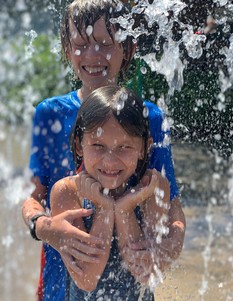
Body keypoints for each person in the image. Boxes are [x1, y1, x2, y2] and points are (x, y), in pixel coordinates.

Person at [21, 1, 186, 300]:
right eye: (81, 44)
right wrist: (45, 228)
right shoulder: (50, 113)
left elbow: (171, 206)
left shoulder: (150, 118)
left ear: (127, 48)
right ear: (67, 49)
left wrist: (166, 251)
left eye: (105, 43)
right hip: (62, 279)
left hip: (131, 280)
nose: (93, 56)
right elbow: (33, 198)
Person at [50, 85, 171, 300]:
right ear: (79, 145)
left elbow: (144, 273)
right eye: (98, 145)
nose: (110, 160)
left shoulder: (152, 189)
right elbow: (87, 279)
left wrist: (125, 210)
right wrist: (105, 208)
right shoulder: (68, 192)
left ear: (144, 148)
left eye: (124, 147)